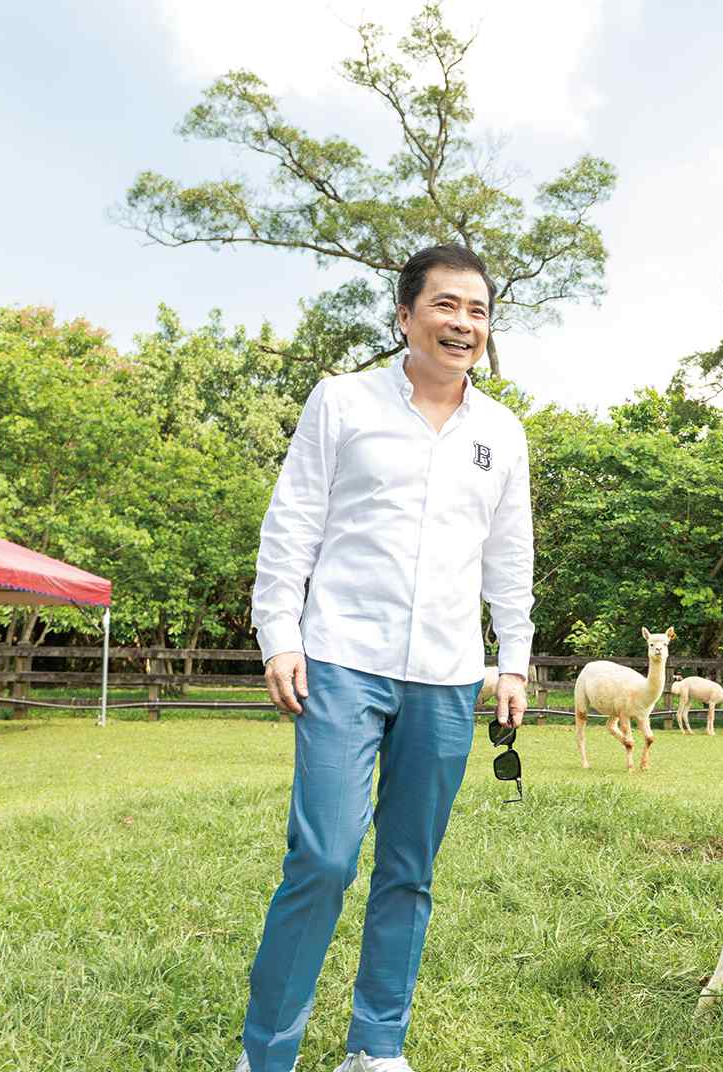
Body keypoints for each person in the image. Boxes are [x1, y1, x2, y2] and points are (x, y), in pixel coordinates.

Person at [235, 244, 533, 1072]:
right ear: (405, 316)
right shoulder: (342, 400)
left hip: (447, 674)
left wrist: (513, 659)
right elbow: (292, 522)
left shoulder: (501, 432)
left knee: (409, 868)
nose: (462, 323)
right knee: (324, 858)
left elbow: (510, 555)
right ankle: (267, 1054)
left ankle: (375, 1045)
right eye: (445, 305)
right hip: (341, 659)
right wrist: (279, 634)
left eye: (477, 311)